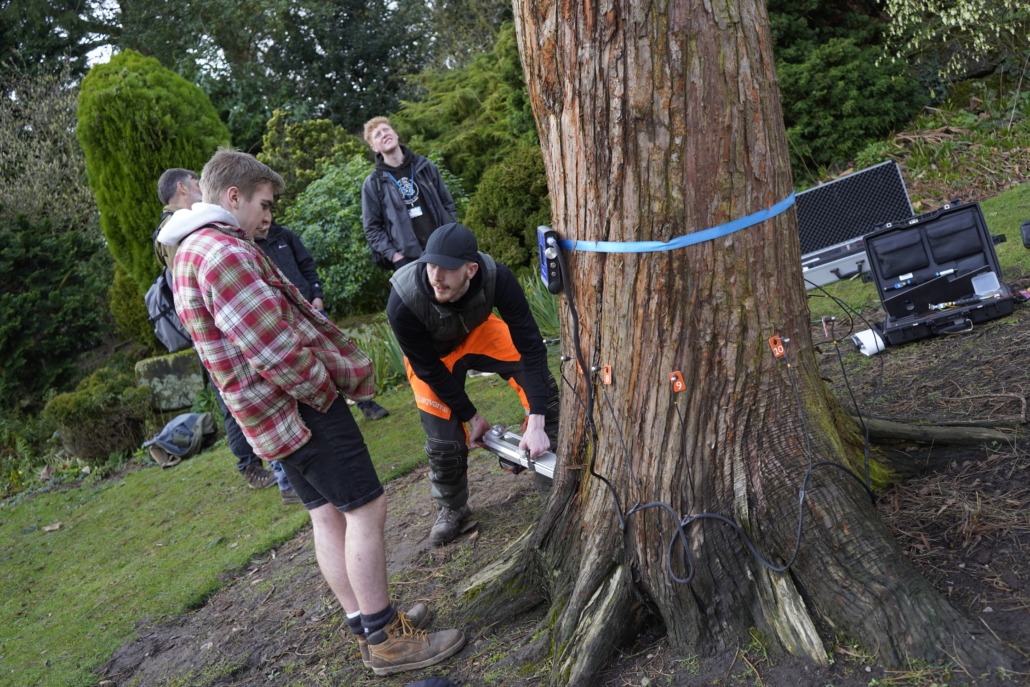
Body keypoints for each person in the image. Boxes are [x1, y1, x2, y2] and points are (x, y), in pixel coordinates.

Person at [156, 149, 465, 676]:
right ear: (233, 197)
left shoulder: (188, 251)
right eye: (264, 203)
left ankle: (368, 625)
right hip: (300, 410)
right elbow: (270, 345)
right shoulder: (222, 253)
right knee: (366, 510)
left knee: (326, 513)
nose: (268, 216)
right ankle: (389, 640)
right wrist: (326, 389)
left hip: (270, 418)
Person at [387, 223, 560, 546]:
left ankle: (552, 482)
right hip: (434, 359)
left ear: (471, 269)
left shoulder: (498, 277)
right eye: (431, 265)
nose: (436, 276)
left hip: (479, 333)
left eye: (448, 269)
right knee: (445, 443)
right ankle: (453, 508)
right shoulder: (403, 301)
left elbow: (532, 347)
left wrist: (535, 420)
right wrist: (471, 416)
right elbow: (428, 369)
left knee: (545, 396)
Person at [153, 167, 278, 491]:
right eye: (196, 185)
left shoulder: (181, 225)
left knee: (236, 390)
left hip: (213, 323)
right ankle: (250, 465)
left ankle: (264, 463)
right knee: (233, 393)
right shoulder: (175, 229)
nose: (201, 190)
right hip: (213, 327)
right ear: (182, 187)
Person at [255, 219, 390, 422]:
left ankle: (367, 404)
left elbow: (307, 264)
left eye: (268, 209)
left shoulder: (285, 235)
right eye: (261, 208)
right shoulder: (249, 246)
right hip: (284, 319)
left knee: (339, 357)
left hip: (311, 308)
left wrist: (317, 294)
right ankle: (336, 416)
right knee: (310, 368)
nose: (264, 217)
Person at [361, 117, 457, 271]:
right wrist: (394, 256)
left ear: (395, 134)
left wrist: (451, 230)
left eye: (386, 129)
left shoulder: (424, 166)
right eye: (378, 134)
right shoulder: (373, 183)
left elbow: (448, 203)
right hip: (410, 260)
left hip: (444, 247)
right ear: (374, 148)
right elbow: (372, 229)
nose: (384, 134)